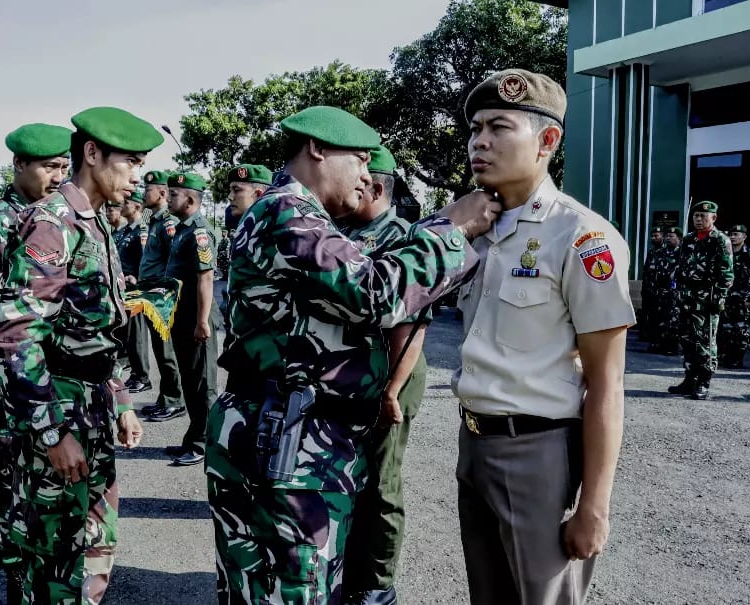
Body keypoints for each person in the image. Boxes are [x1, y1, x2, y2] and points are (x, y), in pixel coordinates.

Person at [205, 105, 497, 603]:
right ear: (318, 149)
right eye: (360, 160)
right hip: (290, 445)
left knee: (262, 588)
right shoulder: (287, 214)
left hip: (284, 432)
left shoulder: (297, 216)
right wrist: (453, 227)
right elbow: (375, 291)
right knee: (296, 592)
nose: (367, 176)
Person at [452, 69, 634, 605]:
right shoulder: (474, 226)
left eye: (498, 127)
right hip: (475, 443)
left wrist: (593, 506)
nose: (479, 141)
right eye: (476, 128)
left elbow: (607, 381)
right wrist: (446, 226)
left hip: (537, 452)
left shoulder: (581, 236)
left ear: (547, 141)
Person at [0, 106, 153, 603]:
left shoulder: (94, 221)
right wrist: (52, 432)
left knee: (95, 544)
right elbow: (16, 334)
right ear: (91, 153)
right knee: (56, 558)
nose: (137, 177)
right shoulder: (52, 223)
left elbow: (102, 328)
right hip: (60, 408)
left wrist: (121, 400)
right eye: (130, 162)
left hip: (94, 406)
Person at [0, 122, 72, 597]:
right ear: (19, 165)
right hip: (12, 381)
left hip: (56, 380)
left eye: (64, 168)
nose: (57, 177)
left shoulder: (63, 219)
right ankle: (16, 575)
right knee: (14, 485)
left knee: (55, 489)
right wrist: (35, 310)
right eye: (49, 167)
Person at [337, 145, 430, 604]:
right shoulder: (346, 229)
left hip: (394, 373)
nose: (349, 185)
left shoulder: (404, 237)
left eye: (359, 177)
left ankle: (376, 585)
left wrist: (391, 389)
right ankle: (350, 572)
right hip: (354, 374)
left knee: (381, 480)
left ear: (377, 186)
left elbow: (412, 327)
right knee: (350, 475)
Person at [151, 171, 221, 468]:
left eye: (175, 194)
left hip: (196, 317)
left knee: (203, 385)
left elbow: (205, 279)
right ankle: (194, 437)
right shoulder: (182, 229)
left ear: (190, 199)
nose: (168, 198)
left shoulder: (200, 231)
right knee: (190, 382)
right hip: (181, 317)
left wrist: (202, 321)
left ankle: (205, 444)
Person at [668, 201, 733, 400]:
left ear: (713, 218)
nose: (698, 219)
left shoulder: (720, 240)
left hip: (707, 300)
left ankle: (704, 381)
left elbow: (727, 275)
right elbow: (679, 265)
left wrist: (719, 299)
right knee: (686, 340)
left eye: (703, 216)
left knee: (705, 341)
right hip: (686, 298)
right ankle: (690, 378)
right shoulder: (688, 239)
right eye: (696, 216)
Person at [136, 170, 185, 417]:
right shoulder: (153, 218)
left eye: (148, 189)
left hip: (162, 296)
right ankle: (165, 396)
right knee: (159, 350)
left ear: (163, 193)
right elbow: (140, 219)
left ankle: (175, 400)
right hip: (150, 294)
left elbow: (172, 259)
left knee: (167, 352)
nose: (144, 194)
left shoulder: (168, 221)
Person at [220, 163, 273, 335]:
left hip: (263, 337)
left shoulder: (271, 232)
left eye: (237, 190)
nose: (229, 196)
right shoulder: (246, 230)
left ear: (258, 195)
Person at [113, 188, 152, 394]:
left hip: (135, 289)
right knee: (128, 334)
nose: (122, 206)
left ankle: (143, 376)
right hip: (123, 290)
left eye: (126, 203)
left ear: (137, 206)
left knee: (137, 335)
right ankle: (136, 374)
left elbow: (145, 258)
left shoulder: (141, 230)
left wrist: (137, 278)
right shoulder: (125, 231)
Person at [717, 225, 750, 369]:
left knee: (741, 330)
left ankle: (737, 358)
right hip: (727, 296)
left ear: (744, 237)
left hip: (742, 298)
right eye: (731, 234)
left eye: (736, 234)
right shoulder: (725, 252)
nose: (733, 237)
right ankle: (725, 356)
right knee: (725, 327)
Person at [652, 227, 682, 356]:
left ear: (679, 238)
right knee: (660, 318)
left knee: (674, 320)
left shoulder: (682, 253)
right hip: (661, 290)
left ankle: (673, 346)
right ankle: (661, 344)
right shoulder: (661, 252)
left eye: (672, 236)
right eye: (668, 236)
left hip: (675, 291)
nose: (668, 238)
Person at [640, 227, 664, 345]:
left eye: (657, 235)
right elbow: (646, 269)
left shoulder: (665, 251)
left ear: (662, 236)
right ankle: (645, 334)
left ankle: (655, 337)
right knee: (646, 311)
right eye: (653, 236)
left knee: (656, 314)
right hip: (648, 287)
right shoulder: (652, 251)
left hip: (659, 289)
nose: (654, 238)